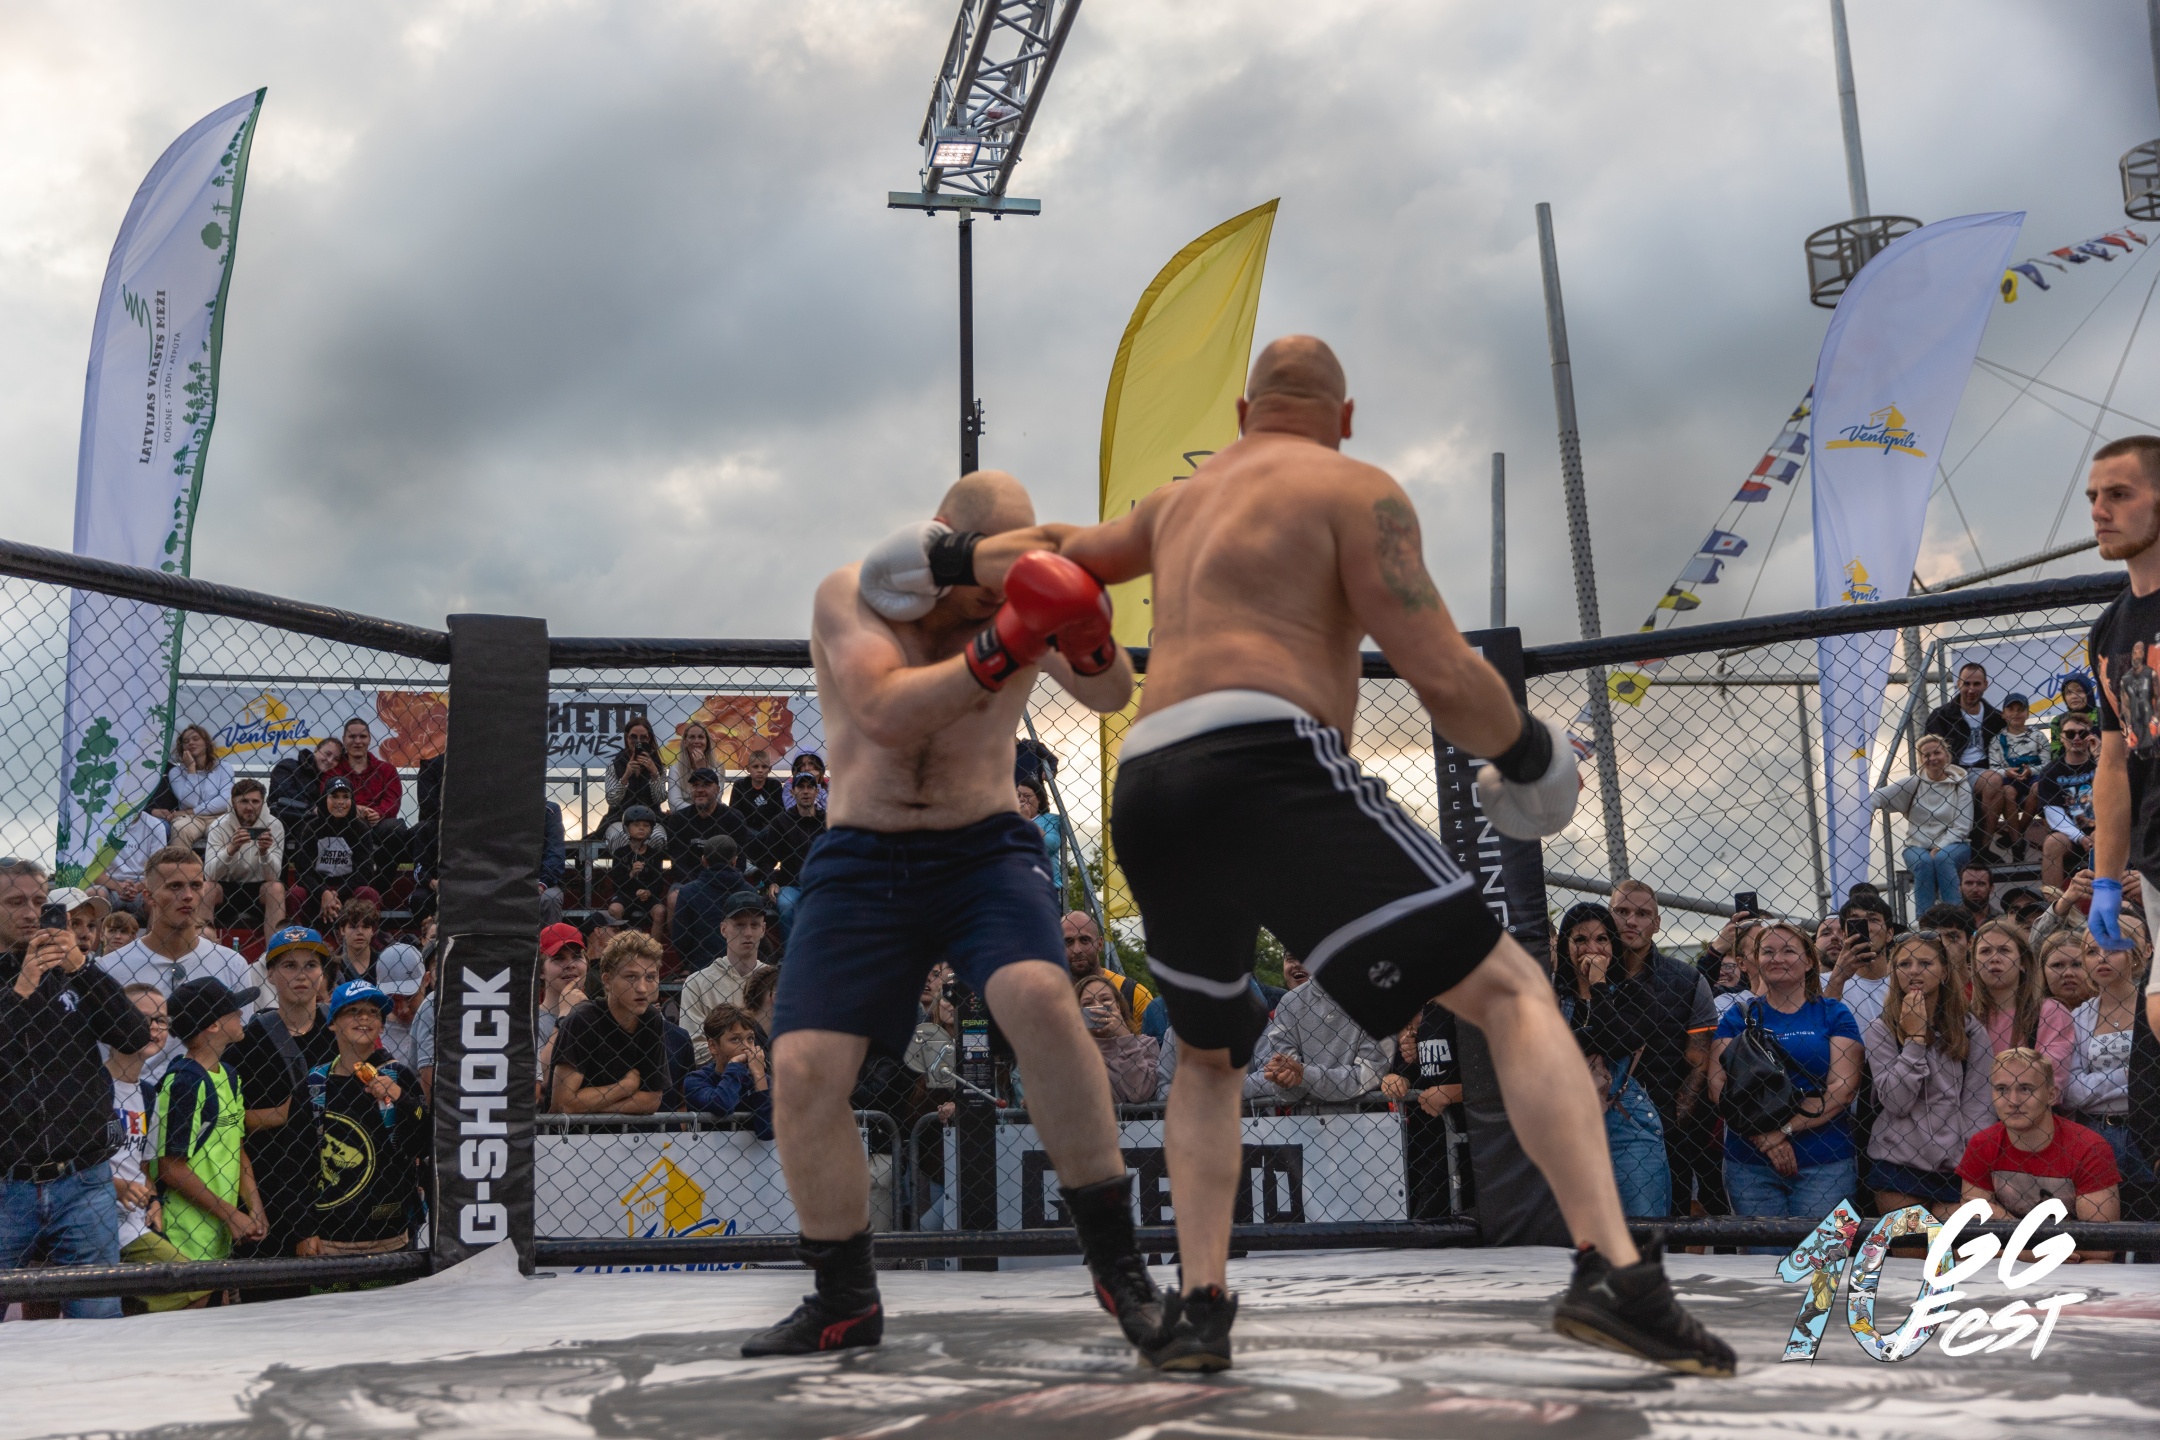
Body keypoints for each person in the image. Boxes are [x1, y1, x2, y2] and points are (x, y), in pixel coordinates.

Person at [1029, 336, 1731, 1373]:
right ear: (1346, 418)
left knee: (1210, 1058)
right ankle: (1615, 1275)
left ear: (1242, 415)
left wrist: (951, 560)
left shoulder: (1178, 504)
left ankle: (1201, 1310)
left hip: (1151, 783)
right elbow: (1442, 671)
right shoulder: (1355, 488)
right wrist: (1532, 754)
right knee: (1511, 990)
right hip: (1269, 756)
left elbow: (1057, 552)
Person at [757, 469, 1158, 1362]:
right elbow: (883, 711)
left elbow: (1109, 693)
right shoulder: (852, 595)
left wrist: (1086, 634)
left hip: (983, 847)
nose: (999, 594)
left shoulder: (1015, 597)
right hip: (863, 854)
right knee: (804, 1067)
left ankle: (1120, 1267)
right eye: (988, 572)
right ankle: (843, 1297)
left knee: (1042, 1001)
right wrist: (1008, 642)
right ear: (945, 543)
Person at [0, 858, 155, 1317]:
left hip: (83, 1179)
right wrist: (22, 989)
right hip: (6, 1182)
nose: (31, 913)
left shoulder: (75, 972)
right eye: (15, 902)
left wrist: (82, 968)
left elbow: (133, 1035)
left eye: (39, 901)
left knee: (98, 1317)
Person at [1707, 921, 1864, 1238]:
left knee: (1822, 1260)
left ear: (1809, 961)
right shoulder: (1739, 1016)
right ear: (1756, 961)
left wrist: (1782, 1131)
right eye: (1768, 952)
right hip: (1749, 1164)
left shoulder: (1834, 1014)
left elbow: (1843, 1089)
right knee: (1760, 1262)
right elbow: (1717, 1085)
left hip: (1825, 1162)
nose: (1777, 958)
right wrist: (1764, 1136)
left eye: (1789, 951)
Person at [224, 926, 338, 1294]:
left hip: (333, 1184)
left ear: (322, 974)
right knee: (269, 1298)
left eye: (310, 965)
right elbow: (223, 1120)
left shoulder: (340, 1031)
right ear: (270, 974)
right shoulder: (249, 1039)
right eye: (289, 965)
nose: (301, 975)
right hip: (268, 1186)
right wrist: (282, 1114)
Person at [1862, 932, 1995, 1218]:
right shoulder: (1881, 1029)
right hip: (1898, 1164)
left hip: (1957, 1165)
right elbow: (1897, 1102)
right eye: (1904, 964)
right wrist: (1914, 1039)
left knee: (1955, 1242)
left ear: (1944, 971)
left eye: (1925, 963)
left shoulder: (1970, 1029)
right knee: (1911, 1244)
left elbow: (1980, 1107)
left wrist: (1970, 1164)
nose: (1914, 971)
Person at [1608, 881, 1721, 1218]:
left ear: (1656, 924)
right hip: (1592, 1122)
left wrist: (1673, 1122)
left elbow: (1700, 1064)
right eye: (1622, 911)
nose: (1631, 921)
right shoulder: (1582, 977)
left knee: (1665, 1229)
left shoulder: (1687, 980)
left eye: (1643, 914)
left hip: (1664, 1125)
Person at [1548, 903, 1668, 1219]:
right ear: (1565, 946)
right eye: (1580, 939)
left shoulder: (1634, 994)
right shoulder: (1549, 998)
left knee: (1643, 1229)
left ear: (1613, 945)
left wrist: (1599, 985)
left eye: (1602, 939)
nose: (1592, 948)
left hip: (1626, 1125)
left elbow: (1614, 1042)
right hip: (1565, 1128)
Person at [99, 846, 255, 1082]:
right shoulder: (109, 968)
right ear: (149, 896)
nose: (188, 896)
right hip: (135, 1095)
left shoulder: (232, 963)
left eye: (196, 885)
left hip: (207, 1094)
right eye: (174, 886)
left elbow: (240, 1042)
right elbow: (101, 1051)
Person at [304, 980, 427, 1256]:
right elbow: (297, 1160)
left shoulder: (399, 1075)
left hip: (391, 1235)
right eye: (353, 1011)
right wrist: (304, 1228)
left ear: (381, 1026)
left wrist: (400, 1096)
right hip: (329, 1237)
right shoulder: (316, 1082)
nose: (364, 1018)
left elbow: (424, 1140)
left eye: (373, 1012)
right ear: (332, 1023)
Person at [153, 977, 267, 1269]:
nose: (241, 1013)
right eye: (233, 1010)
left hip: (219, 1232)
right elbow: (171, 1167)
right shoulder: (184, 1083)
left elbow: (237, 1148)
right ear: (213, 1025)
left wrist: (255, 1207)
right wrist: (231, 1214)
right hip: (183, 1235)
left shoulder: (229, 1075)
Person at [1959, 1049, 2121, 1250]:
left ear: (2051, 1095)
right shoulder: (1982, 1144)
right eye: (2002, 1089)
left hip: (2072, 1266)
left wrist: (2004, 1222)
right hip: (2021, 1260)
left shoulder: (2089, 1148)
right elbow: (1970, 1243)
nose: (2013, 1101)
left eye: (2025, 1089)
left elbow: (2099, 1251)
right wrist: (2032, 1252)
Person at [106, 984, 188, 1309]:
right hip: (96, 1219)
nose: (153, 1027)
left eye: (161, 1020)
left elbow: (141, 1164)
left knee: (197, 1286)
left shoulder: (148, 1094)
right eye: (142, 1018)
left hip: (135, 1222)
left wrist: (152, 1199)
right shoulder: (92, 1085)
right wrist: (116, 1186)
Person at [2065, 928, 2156, 1197]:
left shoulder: (2154, 1008)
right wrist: (2136, 1074)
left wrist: (2098, 1085)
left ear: (2134, 956)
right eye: (2092, 952)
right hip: (2096, 1132)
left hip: (2151, 1129)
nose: (2102, 958)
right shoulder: (2079, 1016)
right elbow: (2072, 1091)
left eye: (2113, 949)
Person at [548, 933, 667, 1115]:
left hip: (624, 1132)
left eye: (650, 977)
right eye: (631, 977)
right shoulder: (583, 1020)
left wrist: (593, 1109)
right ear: (607, 980)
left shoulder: (651, 1019)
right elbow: (563, 1104)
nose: (642, 988)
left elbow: (651, 1100)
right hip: (572, 1133)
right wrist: (623, 1087)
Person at [1868, 734, 1973, 915]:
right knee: (1924, 863)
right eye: (1926, 755)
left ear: (1946, 755)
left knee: (1942, 858)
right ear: (1920, 759)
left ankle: (1955, 915)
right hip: (1917, 846)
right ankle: (1925, 919)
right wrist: (1866, 821)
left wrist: (1940, 847)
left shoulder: (1960, 784)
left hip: (1955, 844)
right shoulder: (1914, 783)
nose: (1932, 758)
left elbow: (1962, 826)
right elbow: (1876, 797)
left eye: (1937, 753)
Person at [1382, 999, 1468, 1219]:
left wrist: (1451, 1092)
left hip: (1471, 1142)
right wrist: (1399, 1076)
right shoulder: (1429, 1011)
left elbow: (1494, 1075)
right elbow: (1424, 1070)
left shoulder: (1465, 1006)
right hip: (1429, 1147)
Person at [1923, 661, 2009, 859]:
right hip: (1952, 770)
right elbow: (1929, 752)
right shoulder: (1941, 716)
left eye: (1976, 684)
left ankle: (1983, 847)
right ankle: (1954, 847)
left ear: (1985, 685)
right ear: (1958, 684)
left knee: (1996, 782)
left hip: (1984, 770)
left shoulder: (1995, 718)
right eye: (1966, 683)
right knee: (1990, 781)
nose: (1971, 689)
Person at [1969, 919, 2075, 1080]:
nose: (1994, 958)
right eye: (1985, 951)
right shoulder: (1968, 1018)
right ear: (1975, 964)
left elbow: (2050, 1078)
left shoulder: (2050, 1013)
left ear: (2023, 962)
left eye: (2004, 950)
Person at [680, 891, 775, 1061]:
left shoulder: (775, 982)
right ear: (724, 929)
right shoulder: (697, 983)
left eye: (754, 925)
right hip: (717, 1074)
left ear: (763, 929)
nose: (748, 933)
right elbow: (693, 1049)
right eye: (740, 925)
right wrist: (750, 1056)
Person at [202, 778, 287, 934]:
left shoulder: (274, 825)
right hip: (226, 887)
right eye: (244, 801)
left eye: (255, 801)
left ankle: (276, 947)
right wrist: (231, 849)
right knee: (207, 888)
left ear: (263, 802)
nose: (250, 807)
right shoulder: (219, 826)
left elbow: (274, 876)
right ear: (233, 802)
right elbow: (209, 875)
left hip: (259, 888)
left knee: (276, 888)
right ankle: (203, 943)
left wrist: (264, 853)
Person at [333, 719, 408, 890]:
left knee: (396, 828)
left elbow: (393, 800)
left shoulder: (386, 770)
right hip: (345, 823)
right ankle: (344, 889)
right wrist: (353, 810)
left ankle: (379, 889)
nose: (357, 741)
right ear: (344, 740)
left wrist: (378, 813)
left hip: (377, 823)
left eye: (362, 736)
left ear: (369, 739)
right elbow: (327, 796)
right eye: (352, 737)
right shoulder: (334, 770)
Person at [684, 1003, 773, 1138]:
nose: (746, 1047)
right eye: (735, 1039)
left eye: (750, 1038)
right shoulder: (696, 1080)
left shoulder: (761, 1080)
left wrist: (759, 1075)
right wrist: (735, 1065)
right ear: (713, 1046)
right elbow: (723, 1104)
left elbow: (768, 1131)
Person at [756, 770, 828, 931]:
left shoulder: (827, 821)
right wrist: (770, 882)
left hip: (821, 884)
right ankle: (789, 948)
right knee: (787, 905)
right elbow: (767, 858)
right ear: (792, 791)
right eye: (800, 787)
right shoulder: (781, 822)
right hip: (791, 885)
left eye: (810, 787)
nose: (806, 791)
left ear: (817, 791)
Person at [148, 724, 237, 852]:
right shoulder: (176, 772)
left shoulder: (223, 767)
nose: (191, 743)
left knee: (224, 829)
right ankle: (178, 864)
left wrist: (191, 811)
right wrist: (191, 769)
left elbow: (225, 801)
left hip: (218, 816)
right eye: (186, 741)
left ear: (206, 742)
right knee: (180, 828)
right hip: (190, 819)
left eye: (196, 739)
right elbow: (190, 801)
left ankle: (219, 865)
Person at [1076, 973, 1163, 1104]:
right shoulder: (1073, 1052)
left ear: (1118, 1007)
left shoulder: (1146, 1044)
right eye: (1088, 1003)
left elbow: (1140, 1093)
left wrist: (1125, 1037)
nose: (1097, 1006)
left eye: (1105, 999)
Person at [1061, 910, 1153, 1030]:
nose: (1077, 950)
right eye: (1068, 942)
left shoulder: (1134, 994)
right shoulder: (1049, 994)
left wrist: (1122, 1032)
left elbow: (1151, 1042)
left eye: (1084, 940)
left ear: (1100, 944)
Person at [2037, 717, 2099, 891]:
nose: (2077, 738)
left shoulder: (2102, 763)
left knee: (2100, 837)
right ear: (2062, 737)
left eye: (2083, 733)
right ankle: (2055, 904)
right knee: (2052, 842)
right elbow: (2053, 813)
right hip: (2069, 835)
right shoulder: (2051, 771)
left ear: (2090, 736)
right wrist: (2080, 837)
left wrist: (2099, 754)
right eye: (2070, 734)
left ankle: (2107, 896)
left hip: (2101, 829)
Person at [289, 778, 368, 907]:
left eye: (346, 797)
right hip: (317, 891)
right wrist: (323, 893)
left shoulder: (361, 829)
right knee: (296, 894)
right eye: (334, 797)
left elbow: (364, 873)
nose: (340, 802)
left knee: (368, 893)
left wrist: (336, 894)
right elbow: (303, 872)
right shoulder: (311, 828)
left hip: (348, 891)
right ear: (325, 799)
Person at [1988, 694, 2050, 856]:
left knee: (2038, 787)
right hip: (2009, 779)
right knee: (2007, 792)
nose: (2016, 713)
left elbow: (2047, 764)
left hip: (2033, 777)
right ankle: (2017, 846)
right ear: (2003, 714)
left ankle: (2017, 834)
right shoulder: (1997, 740)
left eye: (2020, 709)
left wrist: (2031, 770)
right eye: (2011, 709)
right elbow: (1993, 768)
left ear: (2028, 713)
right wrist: (2007, 772)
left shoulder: (2038, 736)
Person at [666, 766, 750, 874]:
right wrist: (696, 883)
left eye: (706, 785)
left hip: (725, 878)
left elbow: (740, 861)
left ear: (717, 789)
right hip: (689, 880)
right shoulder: (679, 819)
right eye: (695, 785)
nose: (700, 790)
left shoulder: (734, 818)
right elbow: (678, 862)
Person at [601, 717, 671, 844]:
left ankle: (650, 858)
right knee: (620, 837)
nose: (638, 741)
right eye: (633, 737)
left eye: (643, 737)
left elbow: (659, 799)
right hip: (619, 818)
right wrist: (625, 777)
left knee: (657, 837)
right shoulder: (615, 764)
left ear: (649, 739)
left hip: (651, 819)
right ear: (627, 738)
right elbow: (612, 800)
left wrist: (654, 774)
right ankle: (623, 858)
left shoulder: (658, 765)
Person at [607, 805, 669, 937]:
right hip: (625, 894)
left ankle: (653, 946)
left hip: (647, 896)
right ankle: (621, 943)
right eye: (636, 825)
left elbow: (658, 882)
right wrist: (631, 873)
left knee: (660, 911)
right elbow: (616, 884)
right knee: (615, 909)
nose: (641, 828)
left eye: (646, 825)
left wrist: (649, 892)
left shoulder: (655, 854)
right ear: (626, 828)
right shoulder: (620, 853)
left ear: (651, 830)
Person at [267, 737, 339, 826]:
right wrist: (312, 808)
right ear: (316, 750)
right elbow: (284, 793)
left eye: (336, 759)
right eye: (327, 754)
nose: (330, 760)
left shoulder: (330, 782)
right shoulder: (287, 766)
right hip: (280, 825)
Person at [1016, 777, 1065, 897]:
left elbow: (1051, 846)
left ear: (1039, 798)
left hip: (1044, 887)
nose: (1021, 799)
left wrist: (1027, 821)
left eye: (1027, 796)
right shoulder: (1009, 821)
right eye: (1018, 796)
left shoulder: (1051, 819)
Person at [727, 747, 788, 831]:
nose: (760, 770)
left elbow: (779, 813)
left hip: (769, 830)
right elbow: (734, 813)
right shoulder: (740, 786)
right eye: (755, 767)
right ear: (748, 769)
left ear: (769, 769)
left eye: (764, 767)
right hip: (745, 830)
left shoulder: (774, 786)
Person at [668, 720, 721, 810]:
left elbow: (716, 799)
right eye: (692, 737)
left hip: (712, 815)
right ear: (685, 742)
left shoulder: (718, 767)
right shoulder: (676, 769)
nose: (696, 741)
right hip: (685, 816)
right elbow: (674, 804)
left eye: (701, 737)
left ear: (707, 742)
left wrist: (702, 769)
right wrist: (698, 811)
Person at [2042, 928, 2099, 1011]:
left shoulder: (2107, 1009)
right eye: (2057, 965)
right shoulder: (2031, 1013)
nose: (2068, 973)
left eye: (2077, 964)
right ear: (2043, 971)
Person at [2050, 674, 2100, 759]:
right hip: (2069, 766)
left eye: (2079, 691)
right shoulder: (2058, 721)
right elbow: (2056, 755)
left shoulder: (2104, 715)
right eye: (2069, 693)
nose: (2074, 696)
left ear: (2089, 693)